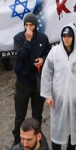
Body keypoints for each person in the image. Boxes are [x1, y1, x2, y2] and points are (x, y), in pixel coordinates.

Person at [40, 25, 76, 150]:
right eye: (64, 36)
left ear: (74, 37)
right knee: (57, 126)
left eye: (69, 36)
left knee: (73, 126)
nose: (66, 39)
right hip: (58, 99)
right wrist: (47, 94)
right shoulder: (54, 52)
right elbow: (47, 73)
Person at [12, 14, 49, 142]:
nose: (28, 28)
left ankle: (37, 137)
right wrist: (27, 41)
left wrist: (43, 59)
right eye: (26, 25)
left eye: (31, 25)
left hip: (37, 81)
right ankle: (17, 139)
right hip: (23, 82)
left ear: (35, 26)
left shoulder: (43, 38)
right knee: (20, 115)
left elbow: (47, 51)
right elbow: (21, 55)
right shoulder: (18, 38)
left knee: (37, 114)